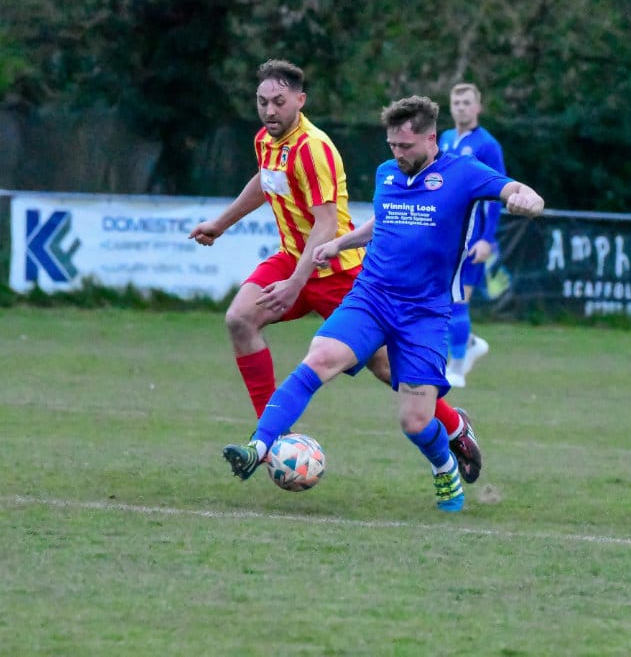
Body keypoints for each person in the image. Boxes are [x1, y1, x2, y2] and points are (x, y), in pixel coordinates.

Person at [222, 95, 544, 512]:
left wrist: (527, 200)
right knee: (319, 358)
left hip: (424, 313)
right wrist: (341, 243)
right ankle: (259, 446)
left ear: (431, 139)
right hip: (371, 297)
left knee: (415, 421)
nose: (398, 153)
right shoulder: (387, 173)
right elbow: (385, 220)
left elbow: (516, 189)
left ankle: (444, 465)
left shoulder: (463, 173)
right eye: (392, 145)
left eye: (405, 146)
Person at [189, 61, 482, 483]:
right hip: (292, 257)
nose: (269, 110)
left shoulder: (315, 148)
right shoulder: (265, 140)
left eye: (278, 102)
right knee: (239, 319)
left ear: (300, 100)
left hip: (337, 269)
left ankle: (454, 427)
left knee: (391, 370)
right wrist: (221, 223)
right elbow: (264, 181)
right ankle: (270, 438)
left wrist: (296, 284)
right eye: (262, 101)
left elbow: (326, 225)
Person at [438, 83, 507, 388]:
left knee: (458, 301)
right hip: (446, 237)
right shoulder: (445, 138)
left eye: (467, 102)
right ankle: (470, 344)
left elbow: (497, 194)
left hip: (472, 237)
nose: (461, 107)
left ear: (478, 107)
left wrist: (486, 239)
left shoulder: (487, 145)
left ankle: (456, 367)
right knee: (442, 302)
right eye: (457, 102)